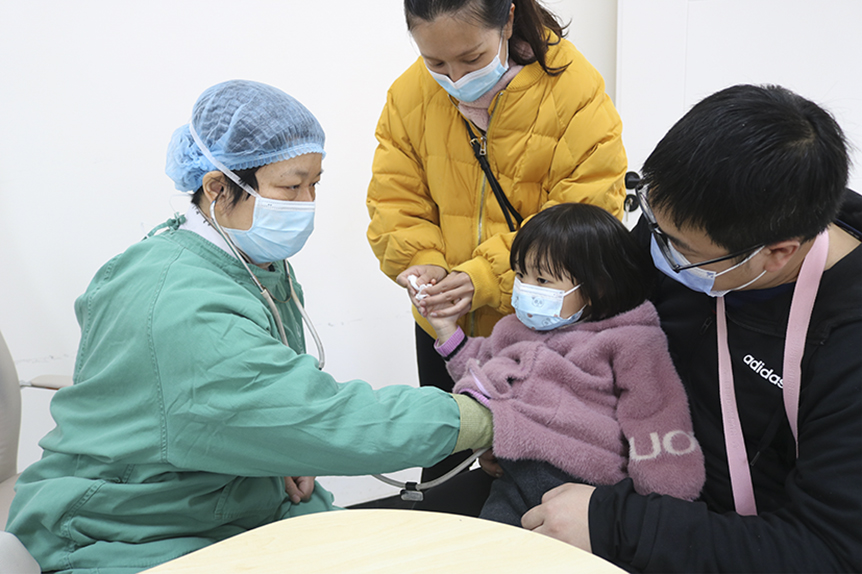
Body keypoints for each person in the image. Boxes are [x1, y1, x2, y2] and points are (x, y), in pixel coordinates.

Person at [5, 80, 493, 574]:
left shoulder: (246, 263)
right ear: (218, 187)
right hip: (132, 527)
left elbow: (271, 403)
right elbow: (319, 416)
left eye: (314, 184)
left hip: (237, 494)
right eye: (291, 186)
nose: (307, 202)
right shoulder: (182, 305)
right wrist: (484, 418)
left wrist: (281, 455)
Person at [519, 85, 862, 572]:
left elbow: (828, 550)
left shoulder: (845, 340)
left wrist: (614, 524)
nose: (656, 249)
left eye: (682, 250)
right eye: (651, 220)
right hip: (622, 472)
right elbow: (600, 330)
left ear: (778, 253)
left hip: (723, 543)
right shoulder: (687, 225)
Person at [366, 0, 627, 482]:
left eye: (472, 58)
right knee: (448, 465)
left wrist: (486, 276)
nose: (455, 78)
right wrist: (422, 260)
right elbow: (395, 198)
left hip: (542, 327)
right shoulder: (410, 94)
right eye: (435, 61)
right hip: (447, 326)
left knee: (536, 476)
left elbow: (585, 216)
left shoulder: (575, 92)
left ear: (507, 20)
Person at [416, 203, 705, 527]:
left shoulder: (631, 340)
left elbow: (654, 415)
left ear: (597, 286)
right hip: (515, 476)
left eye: (542, 279)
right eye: (521, 275)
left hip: (587, 485)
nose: (525, 288)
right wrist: (446, 329)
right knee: (492, 544)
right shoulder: (515, 328)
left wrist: (661, 509)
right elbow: (480, 368)